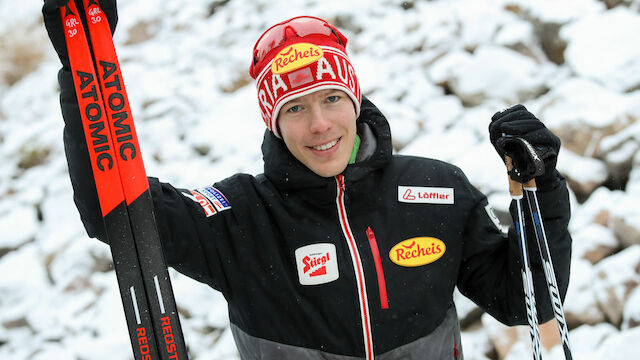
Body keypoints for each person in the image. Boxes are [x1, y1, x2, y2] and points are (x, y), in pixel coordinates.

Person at [43, 1, 572, 359]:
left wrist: (542, 189)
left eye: (331, 99)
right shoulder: (240, 215)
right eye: (294, 108)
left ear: (354, 100)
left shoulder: (437, 191)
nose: (319, 125)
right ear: (272, 120)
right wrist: (83, 69)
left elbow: (524, 298)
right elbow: (116, 210)